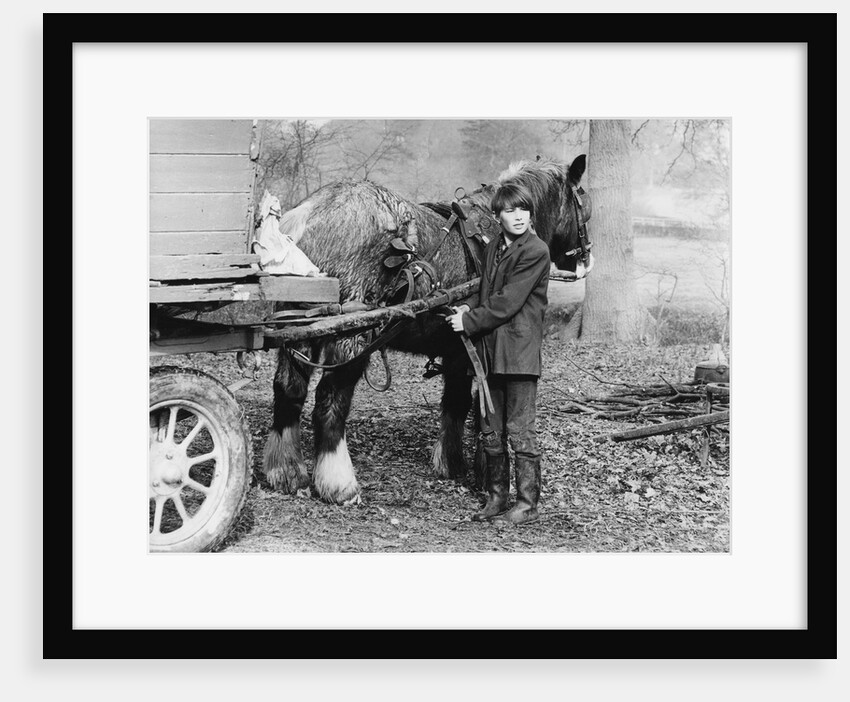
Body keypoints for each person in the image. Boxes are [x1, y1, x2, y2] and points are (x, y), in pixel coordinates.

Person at [445, 183, 550, 525]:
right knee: (491, 429)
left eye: (524, 210)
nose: (519, 217)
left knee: (520, 431)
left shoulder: (536, 251)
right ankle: (496, 497)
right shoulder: (493, 250)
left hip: (518, 354)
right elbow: (488, 294)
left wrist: (469, 321)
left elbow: (507, 301)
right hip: (490, 353)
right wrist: (466, 307)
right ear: (498, 215)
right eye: (510, 211)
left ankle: (527, 504)